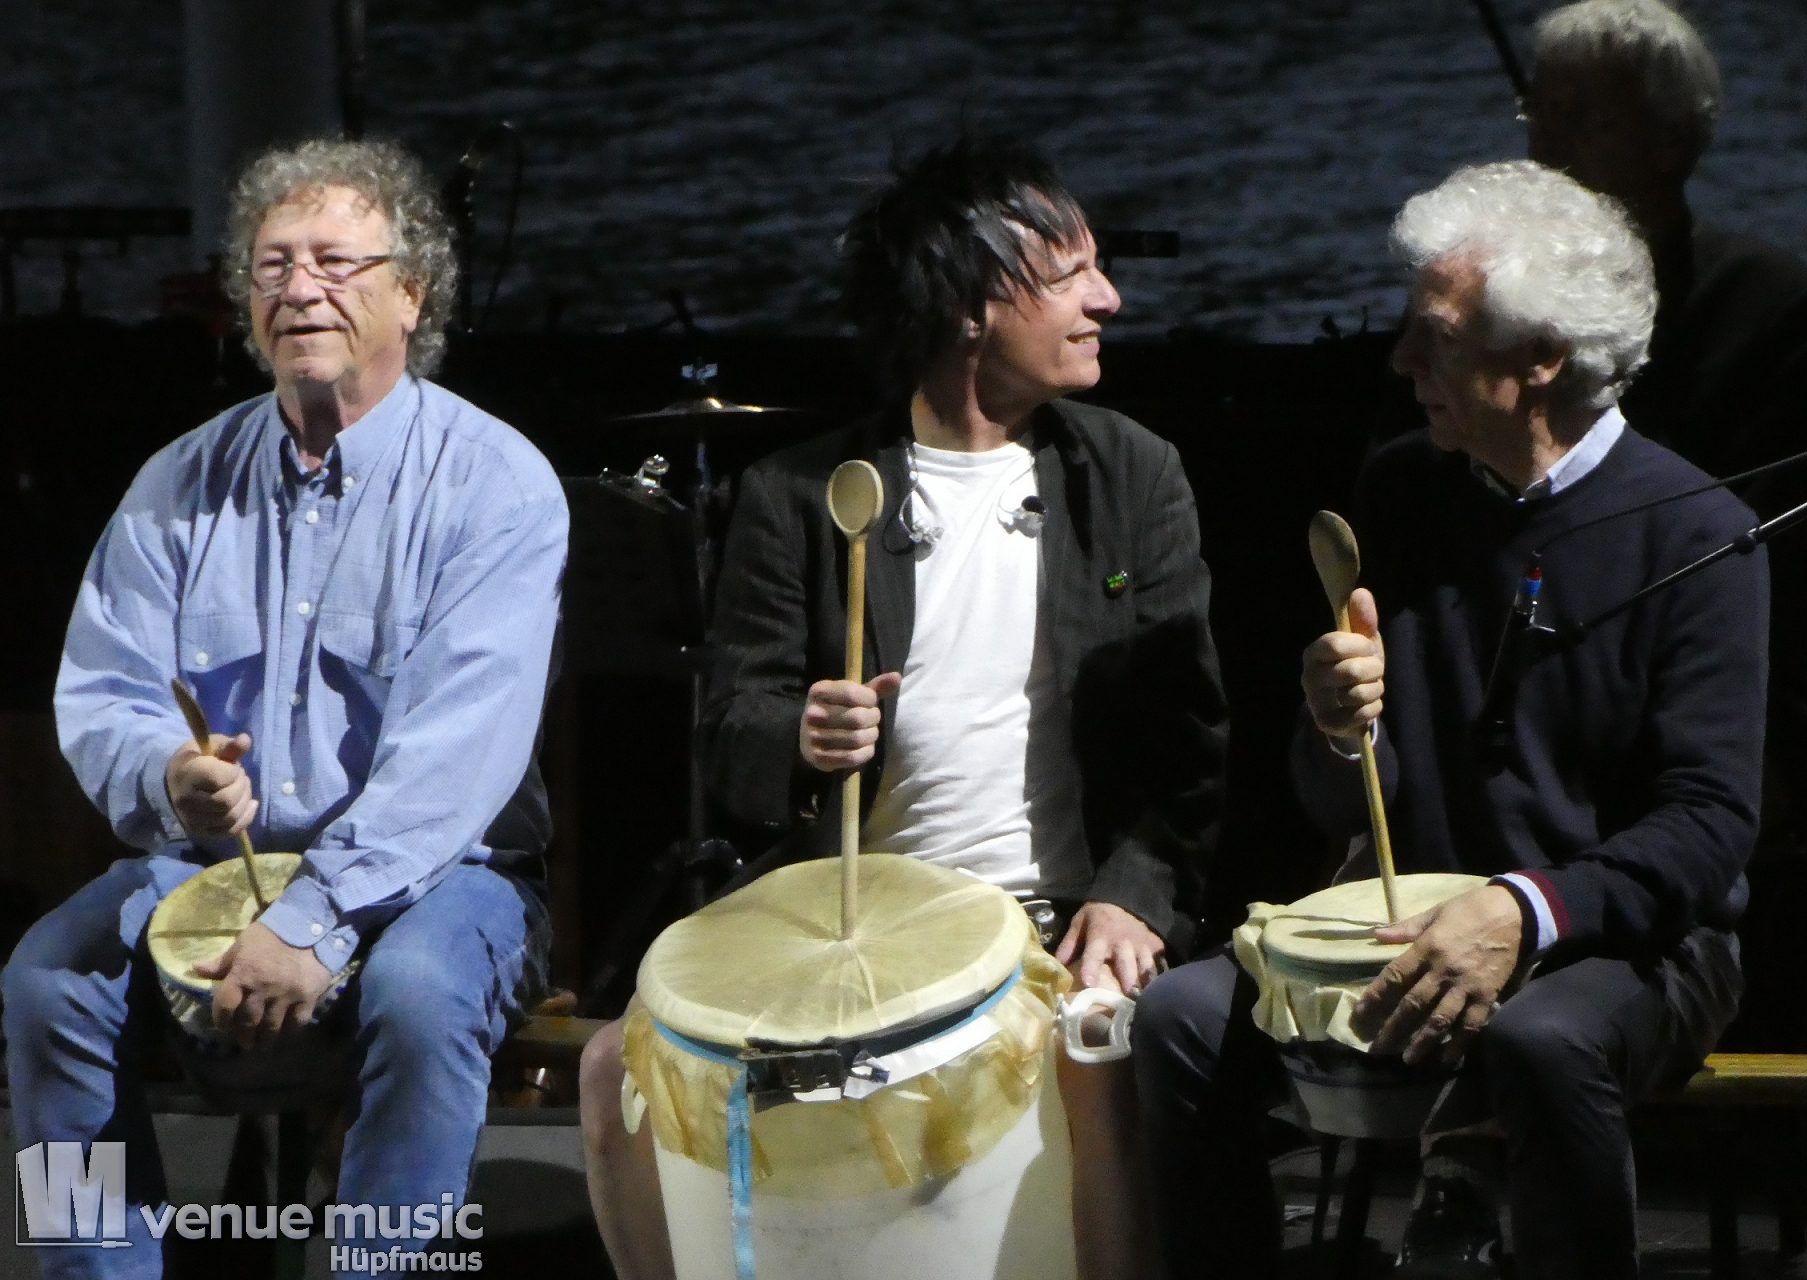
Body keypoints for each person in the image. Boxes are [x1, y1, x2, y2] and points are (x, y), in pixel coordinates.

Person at [578, 135, 1228, 1278]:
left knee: (1098, 1046)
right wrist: (802, 734)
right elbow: (731, 731)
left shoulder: (1133, 476)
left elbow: (1190, 745)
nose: (1108, 299)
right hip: (850, 921)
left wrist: (1135, 897)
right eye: (1071, 274)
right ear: (972, 307)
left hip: (1048, 915)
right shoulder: (800, 494)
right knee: (606, 1073)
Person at [1132, 160, 1765, 1280]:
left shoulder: (1700, 533)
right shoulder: (1403, 491)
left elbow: (1710, 825)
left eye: (1435, 336)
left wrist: (1525, 909)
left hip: (1625, 938)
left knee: (1540, 1037)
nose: (1400, 361)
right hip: (1411, 911)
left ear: (1542, 357)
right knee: (1180, 1016)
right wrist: (1341, 730)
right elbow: (1340, 807)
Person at [2, 138, 567, 1278]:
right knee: (41, 980)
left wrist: (313, 918)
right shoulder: (176, 483)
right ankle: (86, 1263)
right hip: (216, 865)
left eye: (335, 262)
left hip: (443, 872)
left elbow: (456, 759)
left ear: (412, 295)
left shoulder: (496, 484)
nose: (300, 287)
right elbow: (106, 688)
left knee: (417, 993)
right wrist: (169, 775)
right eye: (273, 265)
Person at [1525, 0, 1807, 1050]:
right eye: (1538, 112)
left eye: (1582, 118)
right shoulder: (1490, 314)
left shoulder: (1772, 305)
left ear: (1671, 142)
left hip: (1720, 693)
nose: (1544, 143)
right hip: (1544, 690)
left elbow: (1778, 547)